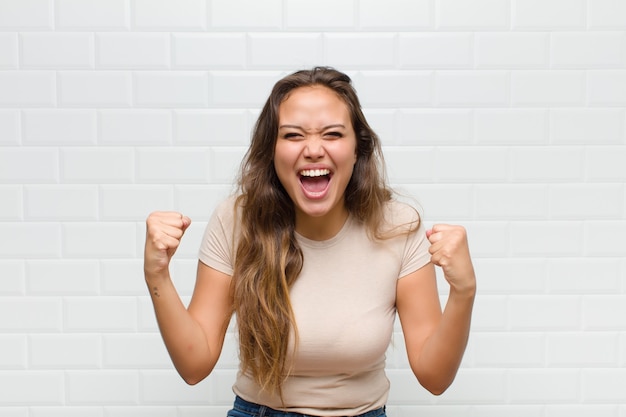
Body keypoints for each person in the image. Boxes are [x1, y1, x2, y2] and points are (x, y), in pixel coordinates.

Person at [144, 67, 476, 417]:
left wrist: (463, 290)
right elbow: (194, 365)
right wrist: (157, 275)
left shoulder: (398, 226)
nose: (314, 149)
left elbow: (434, 377)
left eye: (333, 134)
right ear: (271, 150)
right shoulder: (236, 220)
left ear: (357, 148)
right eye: (292, 135)